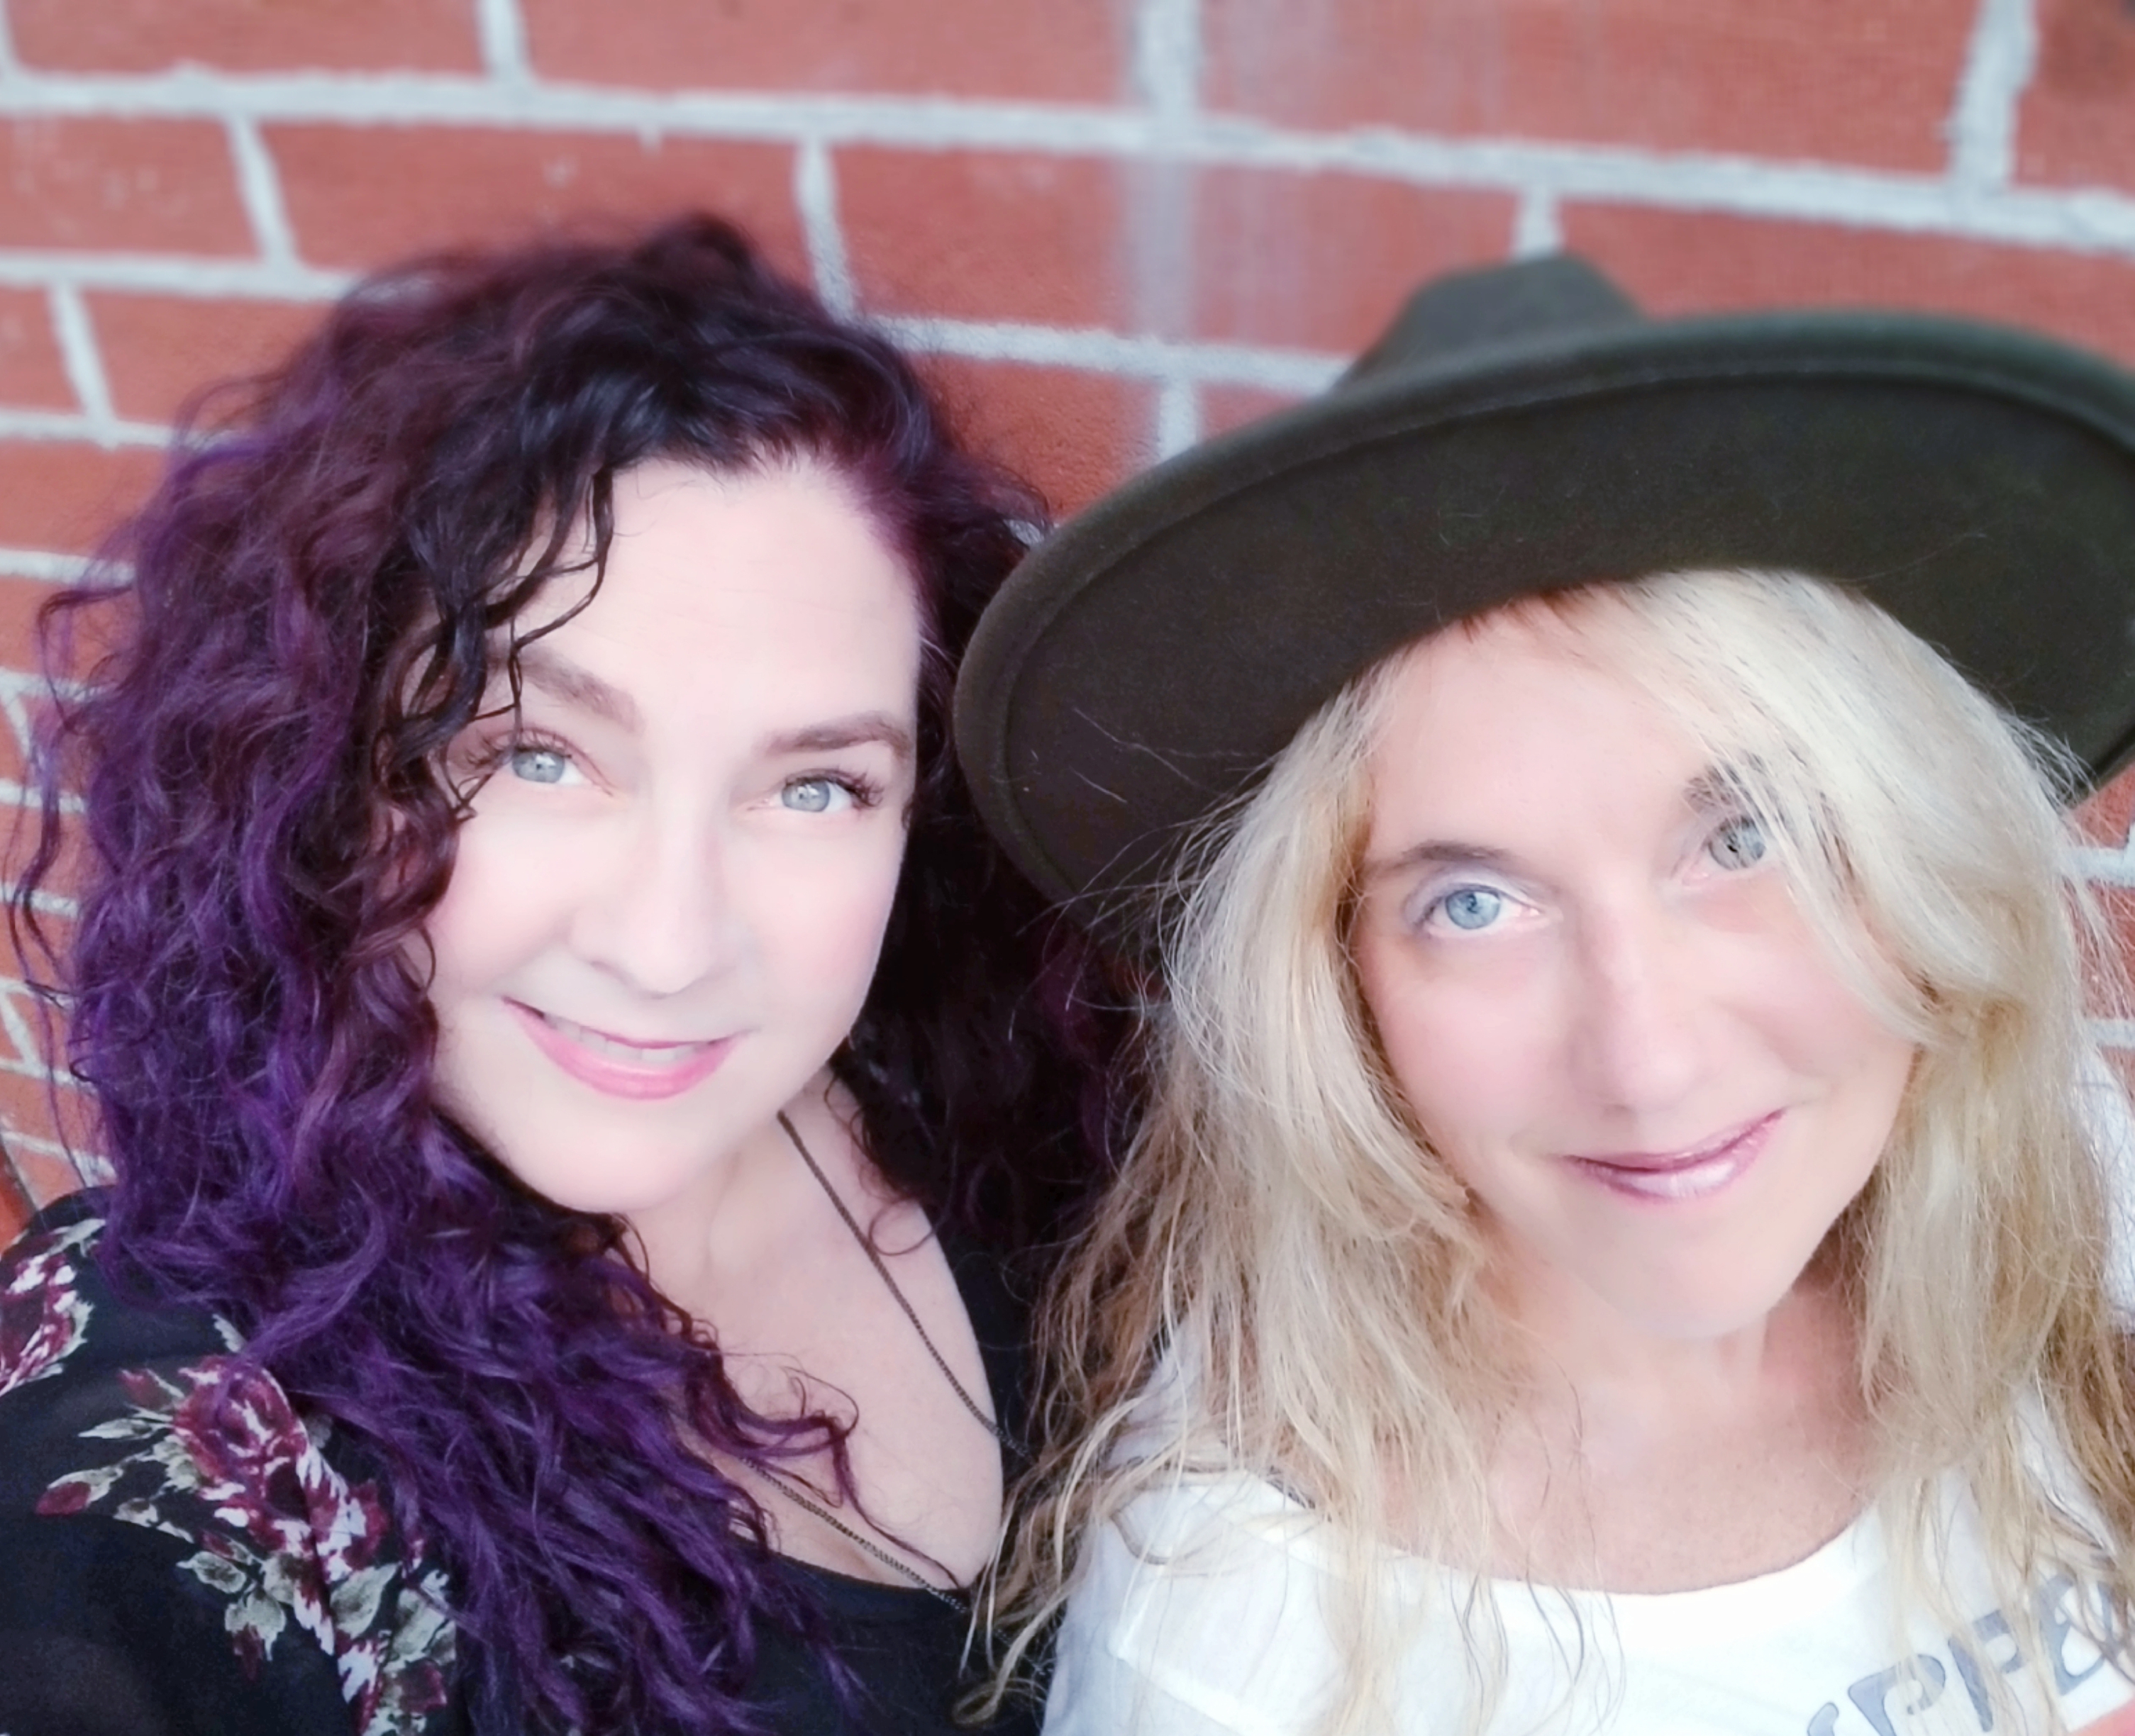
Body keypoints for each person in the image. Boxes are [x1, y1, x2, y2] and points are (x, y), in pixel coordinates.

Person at [954, 256, 2135, 1733]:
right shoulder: (1248, 1644)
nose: (1647, 1063)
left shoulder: (2071, 1196)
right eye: (1471, 904)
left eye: (1744, 838)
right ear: (1339, 994)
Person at [0, 215, 1111, 1736]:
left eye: (814, 786)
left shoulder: (979, 1106)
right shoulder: (179, 1431)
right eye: (537, 754)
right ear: (323, 773)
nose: (668, 948)